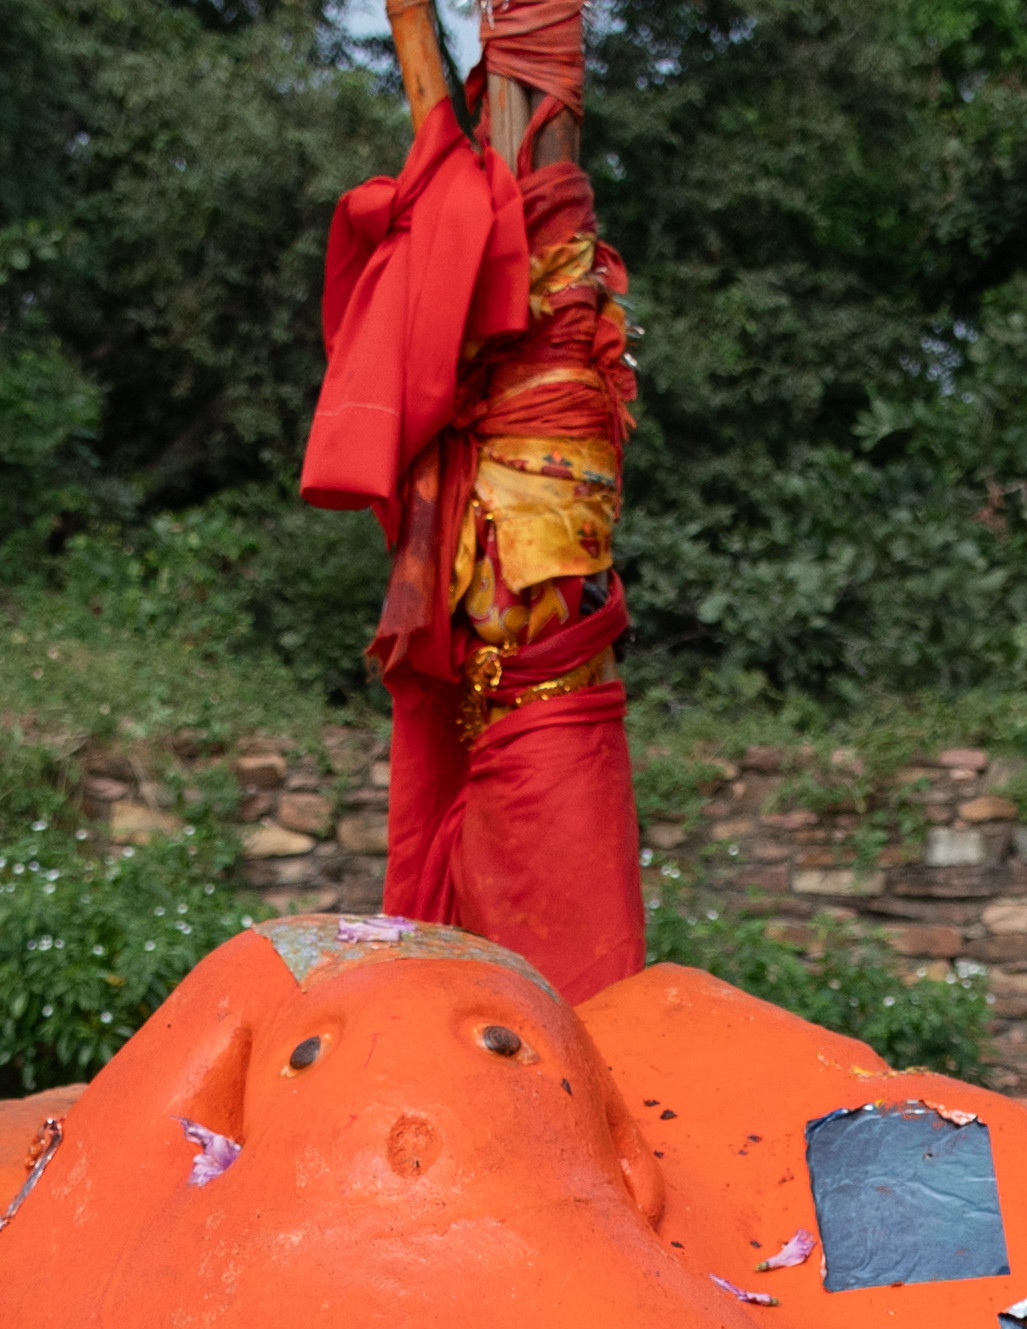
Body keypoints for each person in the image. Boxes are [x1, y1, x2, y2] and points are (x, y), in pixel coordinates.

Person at [299, 3, 642, 996]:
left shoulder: (536, 262)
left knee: (544, 716)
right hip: (507, 548)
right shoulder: (480, 216)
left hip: (541, 562)